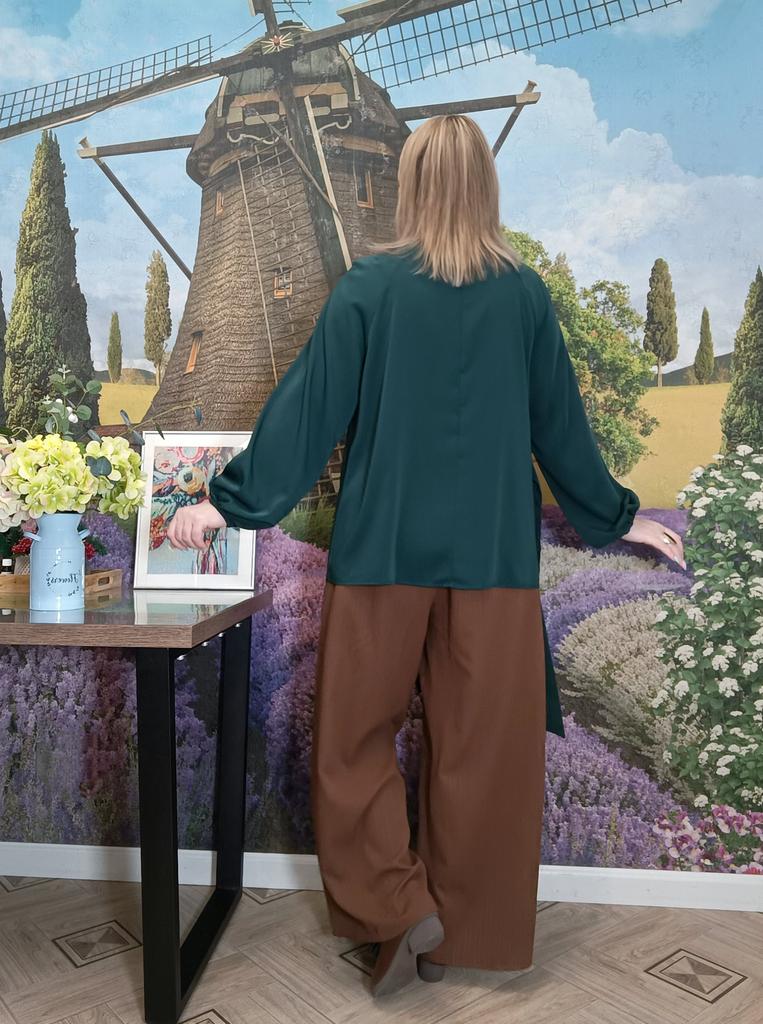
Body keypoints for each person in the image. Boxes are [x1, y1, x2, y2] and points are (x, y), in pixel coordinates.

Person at [167, 114, 685, 998]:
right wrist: (617, 518)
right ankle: (461, 938)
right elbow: (561, 430)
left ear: (406, 184)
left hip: (382, 554)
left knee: (349, 744)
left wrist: (228, 502)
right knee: (484, 756)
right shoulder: (523, 295)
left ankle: (397, 907)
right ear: (486, 185)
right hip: (493, 562)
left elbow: (308, 410)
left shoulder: (368, 288)